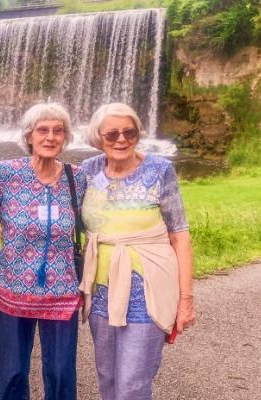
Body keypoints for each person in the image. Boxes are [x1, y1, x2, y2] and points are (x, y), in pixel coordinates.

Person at [78, 102, 197, 400]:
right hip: (101, 289)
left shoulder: (159, 170)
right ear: (98, 137)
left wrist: (186, 300)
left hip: (147, 288)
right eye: (112, 133)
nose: (121, 139)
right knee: (107, 377)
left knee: (132, 384)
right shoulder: (88, 170)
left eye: (129, 132)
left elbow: (179, 234)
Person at [0, 103, 85, 400]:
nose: (50, 137)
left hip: (62, 288)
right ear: (29, 136)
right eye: (43, 130)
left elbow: (97, 224)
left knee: (61, 373)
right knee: (12, 373)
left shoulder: (77, 178)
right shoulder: (6, 174)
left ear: (66, 137)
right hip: (11, 287)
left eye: (58, 131)